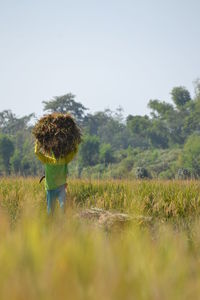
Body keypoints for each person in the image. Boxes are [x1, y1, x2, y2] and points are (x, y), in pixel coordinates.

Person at [34, 141, 78, 215]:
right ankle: (59, 225)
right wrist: (75, 142)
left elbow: (37, 152)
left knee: (52, 211)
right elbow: (74, 151)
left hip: (54, 188)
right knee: (62, 209)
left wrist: (38, 142)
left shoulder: (48, 160)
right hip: (56, 188)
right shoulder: (64, 159)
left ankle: (56, 225)